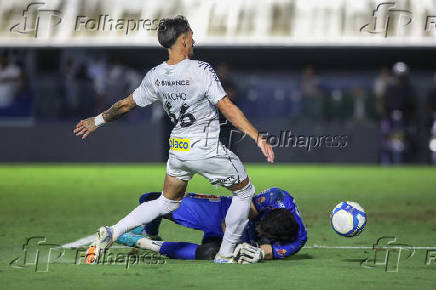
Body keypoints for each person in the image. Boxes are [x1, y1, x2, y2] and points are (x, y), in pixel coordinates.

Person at [73, 15, 274, 264]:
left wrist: (97, 121)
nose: (194, 38)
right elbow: (228, 108)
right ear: (182, 39)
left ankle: (113, 232)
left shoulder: (156, 75)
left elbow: (125, 105)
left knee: (167, 203)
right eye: (190, 34)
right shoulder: (201, 70)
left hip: (178, 147)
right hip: (204, 147)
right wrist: (257, 137)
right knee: (244, 192)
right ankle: (225, 254)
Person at [116, 187, 307, 263]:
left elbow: (268, 251)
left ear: (279, 239)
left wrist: (258, 253)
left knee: (208, 253)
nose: (259, 229)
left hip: (248, 239)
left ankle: (145, 243)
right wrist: (234, 239)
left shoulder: (297, 241)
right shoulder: (276, 197)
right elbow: (234, 217)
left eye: (263, 232)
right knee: (153, 200)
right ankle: (150, 234)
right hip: (227, 211)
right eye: (261, 225)